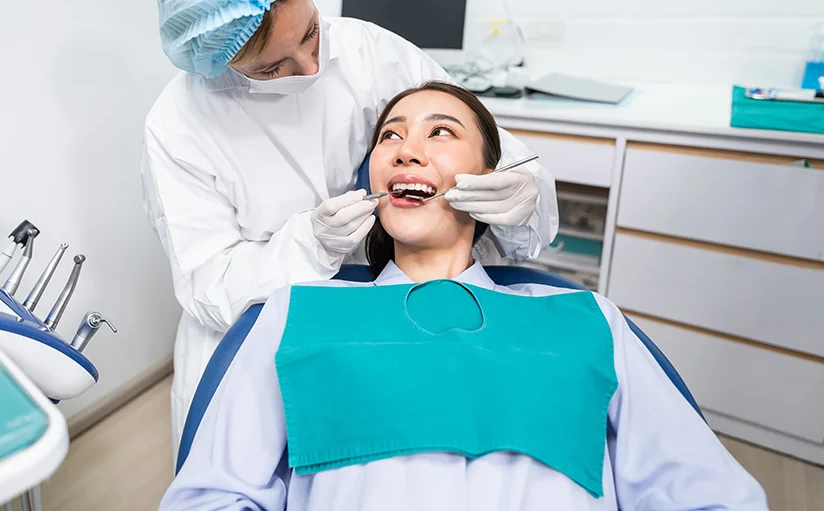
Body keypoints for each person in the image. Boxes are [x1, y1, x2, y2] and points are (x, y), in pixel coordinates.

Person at [159, 82, 768, 511]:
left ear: (492, 174)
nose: (407, 148)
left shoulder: (586, 320)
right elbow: (213, 495)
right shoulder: (294, 316)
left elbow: (706, 494)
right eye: (389, 137)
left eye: (441, 132)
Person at [142, 0, 560, 452]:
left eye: (312, 33)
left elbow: (476, 134)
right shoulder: (179, 123)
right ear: (219, 62)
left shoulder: (373, 52)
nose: (311, 66)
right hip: (257, 345)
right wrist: (307, 246)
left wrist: (521, 185)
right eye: (273, 68)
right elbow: (209, 286)